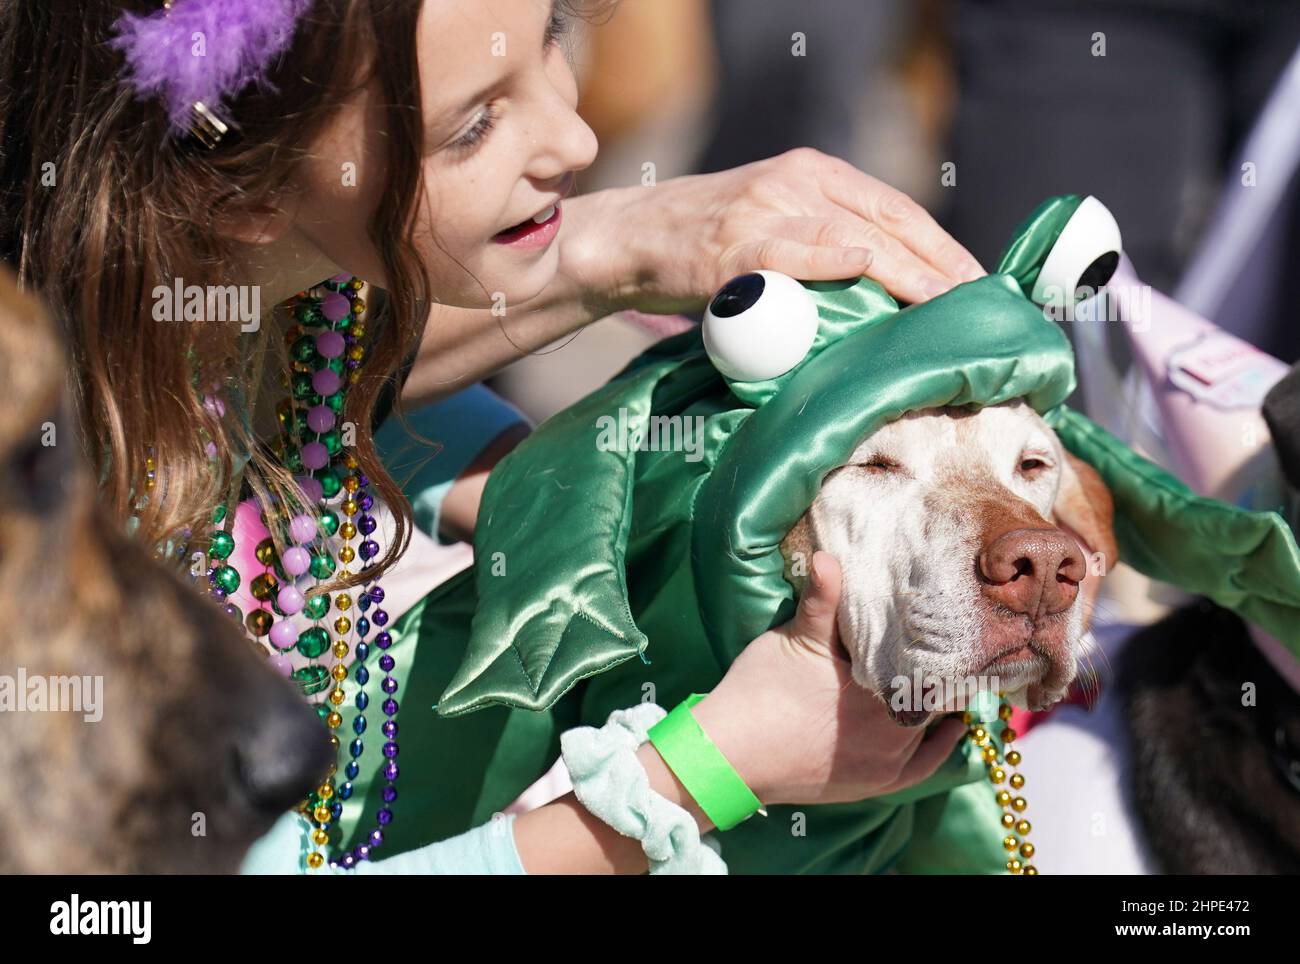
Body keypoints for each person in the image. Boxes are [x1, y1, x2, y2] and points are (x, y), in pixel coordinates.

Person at [0, 0, 983, 873]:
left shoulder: (246, 326)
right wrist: (701, 773)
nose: (578, 136)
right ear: (246, 193)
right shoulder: (48, 521)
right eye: (472, 126)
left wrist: (584, 505)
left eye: (550, 31)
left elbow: (333, 387)